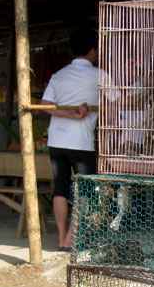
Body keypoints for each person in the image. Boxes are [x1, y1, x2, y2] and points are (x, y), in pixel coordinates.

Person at [40, 27, 112, 251]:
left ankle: (62, 237)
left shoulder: (59, 75)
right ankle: (71, 236)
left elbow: (45, 106)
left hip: (56, 142)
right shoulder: (99, 75)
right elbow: (122, 101)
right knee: (86, 190)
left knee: (60, 188)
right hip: (80, 143)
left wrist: (69, 114)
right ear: (93, 51)